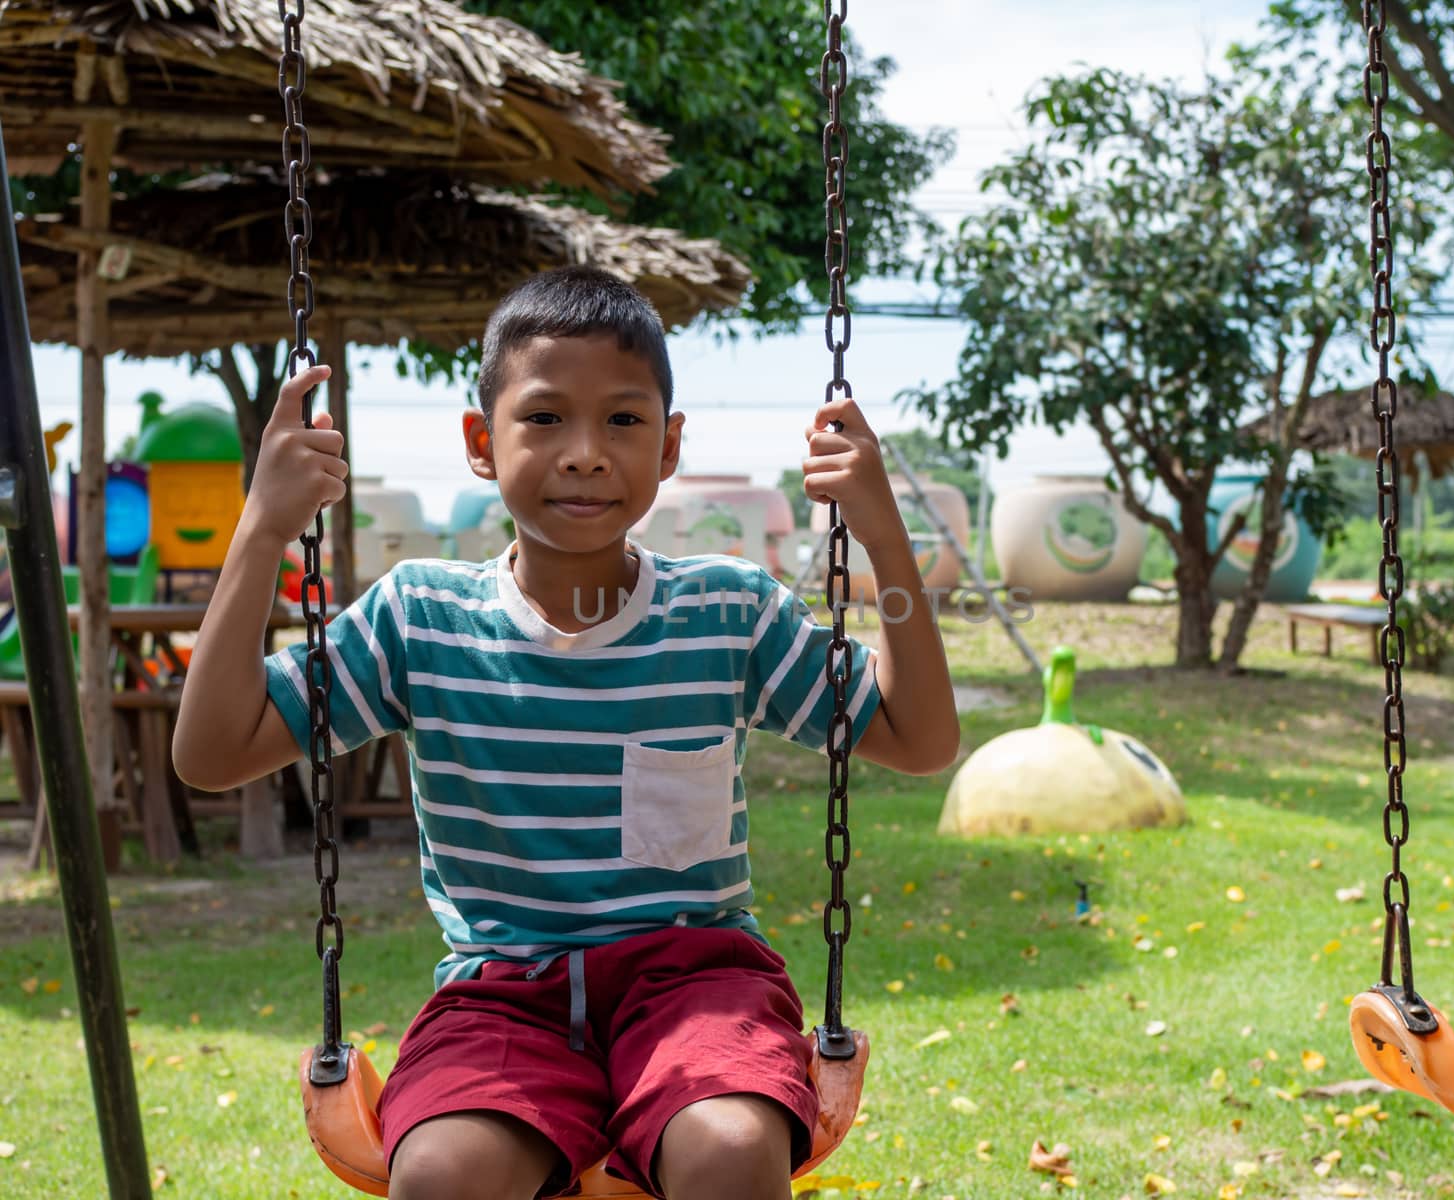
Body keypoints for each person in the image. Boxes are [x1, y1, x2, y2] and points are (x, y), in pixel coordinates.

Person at [173, 265, 961, 1200]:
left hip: (696, 985)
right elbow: (214, 753)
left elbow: (918, 738)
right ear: (481, 441)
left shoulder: (726, 612)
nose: (586, 452)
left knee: (729, 1146)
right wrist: (262, 529)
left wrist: (882, 537)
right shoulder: (420, 621)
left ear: (668, 449)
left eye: (623, 421)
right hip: (502, 998)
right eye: (544, 418)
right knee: (440, 1171)